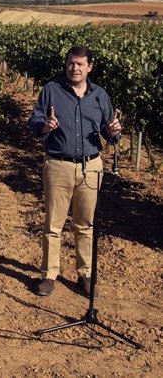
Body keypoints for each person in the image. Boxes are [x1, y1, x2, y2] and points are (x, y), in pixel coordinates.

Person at [28, 45, 121, 297]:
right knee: (53, 224)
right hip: (58, 165)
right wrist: (46, 126)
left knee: (85, 224)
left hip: (91, 167)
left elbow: (109, 133)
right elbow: (34, 122)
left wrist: (114, 132)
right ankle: (49, 275)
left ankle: (85, 275)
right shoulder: (51, 91)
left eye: (80, 64)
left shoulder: (100, 96)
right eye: (71, 63)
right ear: (66, 64)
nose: (75, 68)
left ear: (89, 67)